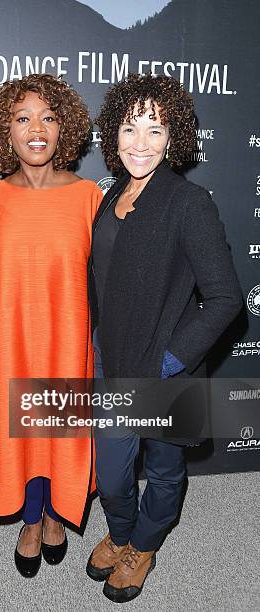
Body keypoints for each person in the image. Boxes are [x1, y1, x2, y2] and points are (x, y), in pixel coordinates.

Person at [85, 73, 242, 603]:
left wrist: (170, 361)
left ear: (173, 136)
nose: (140, 143)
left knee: (166, 468)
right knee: (111, 472)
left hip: (165, 365)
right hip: (112, 359)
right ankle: (122, 526)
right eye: (130, 129)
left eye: (155, 129)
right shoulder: (112, 195)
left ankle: (143, 546)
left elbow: (225, 298)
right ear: (113, 135)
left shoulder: (188, 201)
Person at [0, 74, 103, 577]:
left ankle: (55, 513)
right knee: (22, 431)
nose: (36, 129)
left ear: (64, 129)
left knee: (59, 430)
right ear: (4, 131)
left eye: (48, 118)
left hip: (69, 340)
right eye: (22, 117)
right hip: (10, 343)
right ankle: (32, 519)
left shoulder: (89, 196)